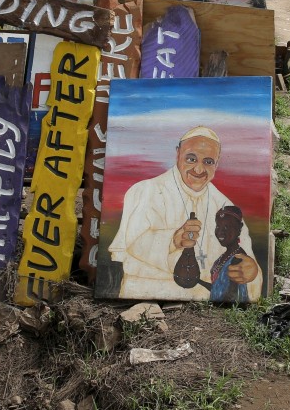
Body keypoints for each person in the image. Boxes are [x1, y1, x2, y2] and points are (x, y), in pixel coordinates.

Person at [108, 126, 262, 300]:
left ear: (217, 163)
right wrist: (174, 240)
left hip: (205, 301)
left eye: (208, 162)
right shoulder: (146, 191)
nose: (199, 169)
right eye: (191, 159)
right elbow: (131, 243)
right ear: (177, 154)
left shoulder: (225, 205)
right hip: (145, 293)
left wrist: (251, 271)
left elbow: (247, 259)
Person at [207, 205, 251, 304]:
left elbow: (232, 294)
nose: (220, 231)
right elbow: (217, 288)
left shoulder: (238, 257)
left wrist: (215, 307)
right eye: (218, 226)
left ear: (239, 228)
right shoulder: (222, 257)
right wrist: (197, 281)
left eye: (226, 227)